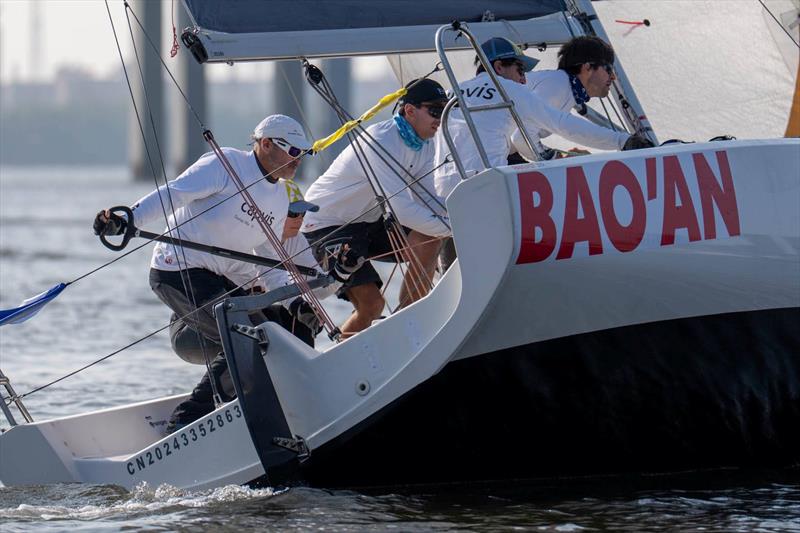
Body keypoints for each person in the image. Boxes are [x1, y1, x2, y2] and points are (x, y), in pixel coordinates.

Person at [93, 114, 330, 431]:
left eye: (304, 153)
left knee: (292, 329)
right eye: (294, 152)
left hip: (222, 283)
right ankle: (188, 419)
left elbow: (271, 265)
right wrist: (129, 219)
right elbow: (173, 193)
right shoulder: (226, 163)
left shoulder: (279, 198)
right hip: (178, 271)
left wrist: (295, 303)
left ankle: (299, 408)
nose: (298, 160)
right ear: (266, 144)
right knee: (243, 335)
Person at [302, 78, 452, 338]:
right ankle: (343, 355)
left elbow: (429, 199)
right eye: (435, 111)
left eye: (445, 110)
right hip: (327, 224)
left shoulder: (426, 145)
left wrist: (459, 218)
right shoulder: (381, 139)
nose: (440, 119)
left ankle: (409, 325)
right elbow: (402, 209)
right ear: (409, 111)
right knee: (372, 305)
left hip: (368, 222)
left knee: (430, 237)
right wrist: (453, 227)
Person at [433, 37, 653, 199]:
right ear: (498, 67)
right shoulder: (548, 84)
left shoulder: (456, 90)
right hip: (483, 182)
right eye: (520, 69)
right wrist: (623, 141)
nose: (523, 79)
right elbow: (526, 137)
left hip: (443, 183)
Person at [520, 35, 633, 159]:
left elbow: (572, 129)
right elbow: (521, 137)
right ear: (587, 67)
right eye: (608, 69)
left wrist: (623, 141)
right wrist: (559, 160)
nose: (613, 77)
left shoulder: (562, 87)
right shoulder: (558, 84)